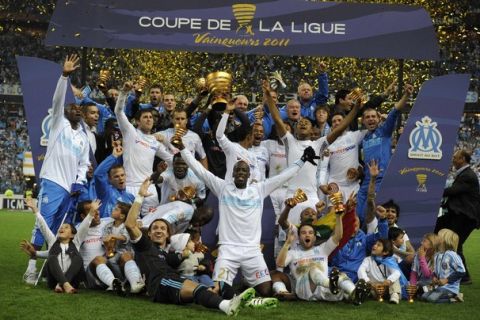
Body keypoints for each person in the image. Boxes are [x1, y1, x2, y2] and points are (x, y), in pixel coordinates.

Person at [175, 133, 319, 299]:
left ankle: (244, 285)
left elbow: (283, 176)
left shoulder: (258, 190)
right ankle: (235, 290)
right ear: (233, 173)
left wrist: (301, 161)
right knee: (220, 291)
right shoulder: (223, 188)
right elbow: (199, 170)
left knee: (266, 290)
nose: (241, 172)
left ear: (249, 175)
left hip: (252, 251)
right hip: (228, 249)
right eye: (238, 170)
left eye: (244, 170)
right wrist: (183, 149)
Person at [124, 179, 258, 316]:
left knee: (219, 285)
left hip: (174, 279)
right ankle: (226, 306)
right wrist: (140, 196)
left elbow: (177, 260)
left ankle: (249, 302)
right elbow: (130, 225)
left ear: (168, 234)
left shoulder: (165, 253)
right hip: (160, 284)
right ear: (149, 234)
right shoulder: (145, 246)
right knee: (197, 288)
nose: (159, 231)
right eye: (155, 228)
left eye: (163, 229)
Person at [25, 55, 90, 284]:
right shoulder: (57, 124)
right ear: (64, 113)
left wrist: (79, 181)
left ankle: (50, 271)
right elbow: (58, 99)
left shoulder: (82, 137)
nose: (77, 110)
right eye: (72, 108)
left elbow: (84, 164)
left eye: (79, 109)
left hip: (69, 190)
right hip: (52, 181)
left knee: (56, 230)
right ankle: (31, 268)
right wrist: (64, 75)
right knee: (41, 223)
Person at [265, 80, 361, 225]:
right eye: (299, 123)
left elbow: (340, 128)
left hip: (311, 197)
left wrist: (355, 110)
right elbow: (277, 120)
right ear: (295, 130)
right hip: (291, 195)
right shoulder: (289, 142)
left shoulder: (319, 144)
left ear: (313, 131)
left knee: (310, 237)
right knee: (287, 237)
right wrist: (267, 95)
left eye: (307, 123)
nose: (302, 123)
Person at [356, 84, 413, 224]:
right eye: (367, 117)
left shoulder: (384, 132)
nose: (370, 119)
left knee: (372, 217)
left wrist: (406, 95)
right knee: (358, 216)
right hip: (365, 182)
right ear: (363, 121)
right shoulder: (363, 138)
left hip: (381, 180)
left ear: (379, 119)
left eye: (373, 117)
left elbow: (394, 111)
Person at [114, 82, 173, 216]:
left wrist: (168, 143)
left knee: (150, 223)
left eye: (151, 117)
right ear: (137, 122)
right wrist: (123, 93)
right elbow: (118, 112)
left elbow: (172, 159)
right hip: (130, 187)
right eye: (145, 117)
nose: (149, 119)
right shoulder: (130, 132)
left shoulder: (155, 142)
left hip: (149, 187)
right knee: (127, 223)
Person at [275, 220, 366, 304]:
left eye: (310, 233)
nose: (307, 235)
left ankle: (355, 294)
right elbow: (280, 263)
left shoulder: (323, 249)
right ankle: (331, 284)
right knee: (313, 268)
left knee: (341, 276)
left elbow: (338, 236)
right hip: (305, 291)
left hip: (325, 290)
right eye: (303, 233)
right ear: (298, 237)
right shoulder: (293, 253)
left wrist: (338, 216)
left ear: (314, 237)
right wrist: (288, 243)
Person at [24, 198, 95, 293]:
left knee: (78, 258)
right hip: (54, 281)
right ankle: (64, 284)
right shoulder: (53, 241)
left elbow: (85, 225)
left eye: (66, 228)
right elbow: (43, 226)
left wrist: (91, 213)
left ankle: (62, 284)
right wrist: (35, 209)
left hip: (73, 281)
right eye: (61, 228)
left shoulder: (76, 241)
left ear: (72, 235)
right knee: (52, 258)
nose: (62, 229)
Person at [435, 150, 480, 284]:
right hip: (457, 214)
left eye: (455, 158)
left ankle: (465, 277)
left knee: (455, 243)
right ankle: (439, 267)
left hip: (465, 216)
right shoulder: (463, 174)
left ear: (463, 159)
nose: (453, 160)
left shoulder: (468, 175)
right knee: (437, 229)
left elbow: (454, 191)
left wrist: (433, 192)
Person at [422, 229, 465, 303]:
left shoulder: (452, 255)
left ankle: (454, 297)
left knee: (431, 299)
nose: (436, 238)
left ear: (445, 240)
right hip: (438, 286)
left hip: (450, 288)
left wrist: (447, 280)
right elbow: (436, 271)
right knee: (423, 297)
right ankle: (450, 296)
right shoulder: (437, 255)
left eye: (439, 236)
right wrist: (434, 277)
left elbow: (461, 271)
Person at [357, 238, 406, 304]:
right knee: (362, 282)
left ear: (385, 252)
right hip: (373, 287)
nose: (374, 246)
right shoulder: (368, 260)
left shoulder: (389, 261)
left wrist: (387, 281)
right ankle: (363, 295)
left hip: (386, 288)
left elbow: (397, 273)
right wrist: (370, 283)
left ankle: (394, 296)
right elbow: (361, 270)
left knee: (394, 279)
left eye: (378, 245)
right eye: (375, 244)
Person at [93, 141, 134, 218]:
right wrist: (114, 156)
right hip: (106, 227)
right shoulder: (106, 192)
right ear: (110, 179)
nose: (121, 178)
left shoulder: (131, 197)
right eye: (116, 176)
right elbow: (98, 174)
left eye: (122, 175)